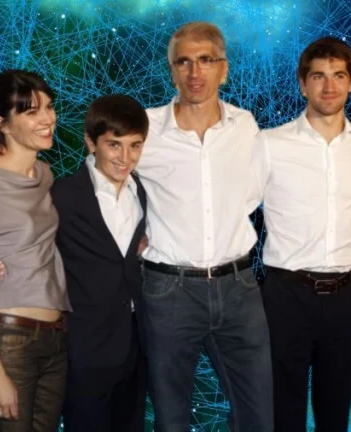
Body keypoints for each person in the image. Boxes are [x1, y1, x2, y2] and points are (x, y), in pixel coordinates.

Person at [135, 21, 273, 432]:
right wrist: (132, 235)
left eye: (206, 60)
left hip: (239, 287)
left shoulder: (245, 125)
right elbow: (105, 184)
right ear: (172, 71)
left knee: (258, 414)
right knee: (171, 416)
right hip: (169, 291)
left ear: (223, 69)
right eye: (184, 62)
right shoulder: (145, 129)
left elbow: (252, 193)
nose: (195, 72)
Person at [247, 37, 351, 432]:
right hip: (286, 296)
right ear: (303, 84)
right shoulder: (269, 143)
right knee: (283, 413)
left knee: (336, 414)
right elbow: (233, 205)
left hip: (347, 296)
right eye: (318, 76)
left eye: (338, 76)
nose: (329, 86)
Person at [0, 69, 71, 431]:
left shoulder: (43, 174)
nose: (48, 118)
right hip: (9, 344)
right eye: (32, 112)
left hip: (55, 340)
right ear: (2, 124)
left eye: (49, 107)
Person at [53, 94, 149, 432]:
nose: (125, 157)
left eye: (135, 146)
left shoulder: (145, 193)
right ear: (91, 142)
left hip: (137, 345)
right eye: (114, 145)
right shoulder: (62, 196)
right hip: (85, 347)